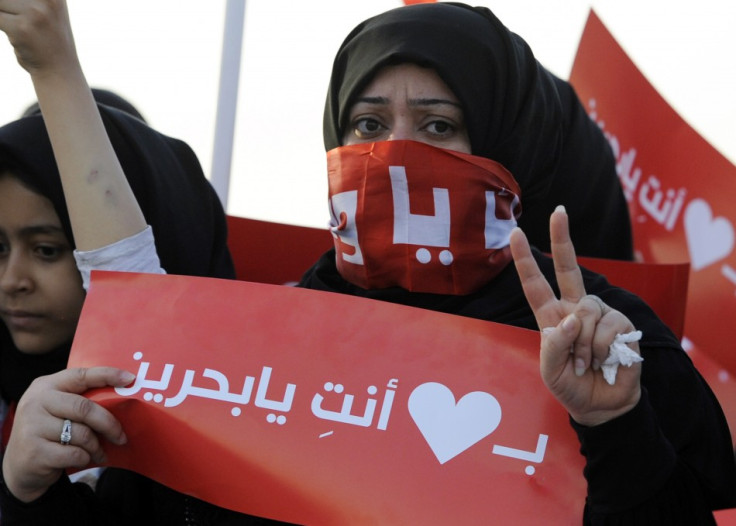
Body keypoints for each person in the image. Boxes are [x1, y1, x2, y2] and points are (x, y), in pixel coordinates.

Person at [2, 2, 734, 525]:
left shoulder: (607, 340)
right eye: (369, 124)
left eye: (440, 126)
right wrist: (30, 490)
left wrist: (615, 425)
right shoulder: (255, 335)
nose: (396, 152)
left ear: (510, 145)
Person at [0, 0, 238, 523]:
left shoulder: (246, 431)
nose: (12, 281)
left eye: (47, 250)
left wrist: (54, 66)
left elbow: (132, 294)